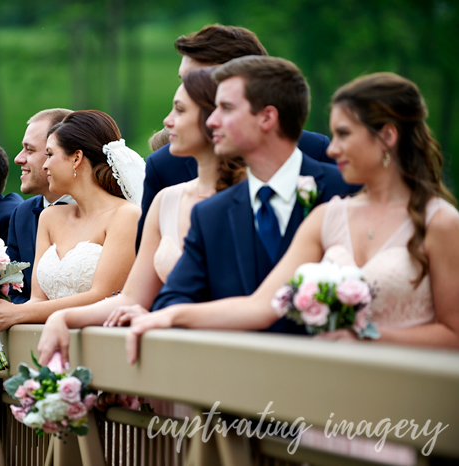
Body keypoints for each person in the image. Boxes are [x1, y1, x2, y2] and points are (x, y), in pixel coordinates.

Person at [126, 70, 459, 363]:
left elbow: (454, 335)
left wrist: (369, 336)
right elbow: (261, 306)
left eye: (344, 134)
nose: (331, 149)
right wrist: (168, 316)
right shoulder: (326, 217)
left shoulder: (440, 222)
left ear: (387, 136)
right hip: (327, 408)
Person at [128, 56, 356, 339]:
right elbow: (171, 301)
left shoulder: (345, 192)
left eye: (226, 108)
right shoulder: (210, 213)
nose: (211, 121)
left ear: (267, 117)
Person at [36, 68, 246, 365]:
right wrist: (63, 318)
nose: (167, 120)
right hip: (175, 359)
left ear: (214, 119)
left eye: (180, 110)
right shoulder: (165, 201)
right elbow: (130, 298)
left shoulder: (249, 198)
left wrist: (166, 314)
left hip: (232, 357)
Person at [137, 24, 334, 249]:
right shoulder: (164, 167)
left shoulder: (315, 151)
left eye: (198, 82)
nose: (184, 92)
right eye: (183, 80)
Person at [0, 110, 143, 340]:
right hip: (50, 339)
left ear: (76, 158)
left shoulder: (126, 216)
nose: (45, 165)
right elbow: (38, 299)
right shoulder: (50, 218)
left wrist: (17, 313)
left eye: (50, 154)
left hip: (101, 342)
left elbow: (102, 295)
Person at [7, 108, 74, 304]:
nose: (18, 159)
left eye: (30, 150)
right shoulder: (22, 215)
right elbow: (14, 292)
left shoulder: (107, 212)